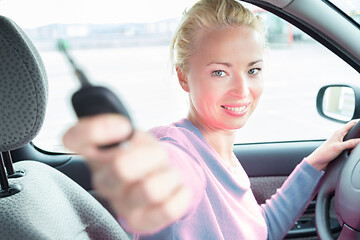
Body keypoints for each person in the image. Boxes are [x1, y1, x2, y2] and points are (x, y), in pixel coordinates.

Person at [63, 0, 360, 239]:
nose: (242, 90)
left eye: (252, 70)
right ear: (183, 77)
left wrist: (315, 161)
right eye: (220, 72)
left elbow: (260, 229)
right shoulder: (176, 148)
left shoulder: (221, 153)